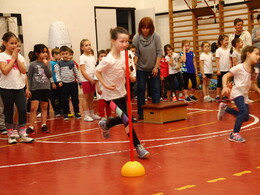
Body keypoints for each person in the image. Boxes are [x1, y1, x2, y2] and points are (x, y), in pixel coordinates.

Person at [96, 27, 150, 159]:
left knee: (126, 118)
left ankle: (107, 124)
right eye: (122, 41)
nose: (125, 44)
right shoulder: (108, 60)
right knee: (126, 119)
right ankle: (138, 147)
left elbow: (132, 73)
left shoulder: (128, 55)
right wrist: (105, 85)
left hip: (122, 93)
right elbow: (97, 72)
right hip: (110, 97)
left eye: (127, 41)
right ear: (113, 41)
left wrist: (131, 76)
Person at [218, 46, 260, 142]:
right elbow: (225, 76)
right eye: (256, 54)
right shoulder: (239, 67)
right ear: (248, 54)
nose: (258, 56)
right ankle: (234, 134)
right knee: (244, 112)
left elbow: (252, 85)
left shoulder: (255, 71)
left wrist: (258, 90)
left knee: (245, 117)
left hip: (244, 95)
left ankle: (226, 108)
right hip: (237, 93)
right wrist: (225, 87)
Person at [0, 32, 34, 144]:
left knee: (22, 109)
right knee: (9, 110)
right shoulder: (2, 56)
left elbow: (24, 71)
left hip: (19, 87)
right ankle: (11, 133)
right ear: (5, 43)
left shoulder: (20, 56)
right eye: (11, 43)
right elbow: (5, 71)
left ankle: (23, 132)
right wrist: (13, 59)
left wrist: (17, 58)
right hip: (6, 87)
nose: (14, 46)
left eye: (16, 43)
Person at [133, 17, 162, 120]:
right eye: (143, 28)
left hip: (153, 67)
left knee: (155, 89)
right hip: (141, 68)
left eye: (147, 28)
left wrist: (156, 67)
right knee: (141, 89)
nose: (145, 30)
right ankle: (141, 113)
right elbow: (136, 53)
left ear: (151, 28)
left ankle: (156, 111)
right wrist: (133, 64)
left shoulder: (156, 36)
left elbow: (159, 52)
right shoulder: (136, 38)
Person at [26, 44, 52, 133]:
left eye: (46, 52)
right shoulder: (33, 64)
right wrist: (28, 88)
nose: (45, 54)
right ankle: (31, 126)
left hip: (45, 87)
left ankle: (44, 124)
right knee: (34, 107)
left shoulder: (47, 63)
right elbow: (29, 77)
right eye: (42, 52)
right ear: (37, 53)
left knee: (44, 106)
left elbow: (50, 75)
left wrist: (45, 65)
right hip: (35, 88)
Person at [55, 46, 82, 120]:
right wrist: (59, 81)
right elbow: (57, 73)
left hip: (73, 83)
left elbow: (76, 72)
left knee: (75, 99)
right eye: (63, 54)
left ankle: (77, 112)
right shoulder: (59, 64)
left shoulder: (72, 63)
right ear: (60, 55)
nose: (65, 55)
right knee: (64, 100)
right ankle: (65, 113)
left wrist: (80, 82)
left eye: (66, 53)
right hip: (64, 84)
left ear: (69, 54)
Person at [79, 39, 101, 121]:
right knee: (86, 98)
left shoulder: (92, 57)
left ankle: (92, 114)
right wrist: (90, 79)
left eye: (89, 45)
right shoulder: (82, 57)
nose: (88, 47)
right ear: (82, 48)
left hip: (93, 80)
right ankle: (86, 115)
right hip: (86, 80)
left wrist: (95, 78)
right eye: (86, 45)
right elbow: (83, 71)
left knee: (91, 98)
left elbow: (94, 68)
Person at [95, 50, 112, 121]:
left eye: (105, 56)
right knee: (101, 104)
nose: (103, 58)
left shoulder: (108, 67)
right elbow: (96, 79)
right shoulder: (98, 68)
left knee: (108, 103)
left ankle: (109, 115)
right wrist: (98, 88)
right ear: (98, 58)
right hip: (101, 88)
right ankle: (102, 116)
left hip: (107, 88)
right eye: (101, 56)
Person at [216, 35, 232, 102]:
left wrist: (231, 66)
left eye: (227, 40)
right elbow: (217, 60)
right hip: (221, 69)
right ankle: (217, 96)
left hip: (227, 69)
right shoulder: (218, 50)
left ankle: (225, 95)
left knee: (226, 83)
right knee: (219, 83)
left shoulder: (229, 50)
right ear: (221, 41)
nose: (227, 41)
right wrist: (218, 69)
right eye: (225, 40)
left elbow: (230, 59)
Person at [49, 48, 62, 116]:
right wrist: (52, 83)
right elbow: (50, 74)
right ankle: (56, 110)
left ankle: (61, 109)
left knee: (60, 96)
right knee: (54, 97)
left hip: (59, 81)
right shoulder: (51, 63)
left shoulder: (59, 62)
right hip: (54, 82)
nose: (60, 56)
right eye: (59, 55)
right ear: (54, 55)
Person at [252, 14, 260, 87]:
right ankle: (257, 84)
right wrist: (258, 38)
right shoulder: (255, 29)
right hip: (257, 52)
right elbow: (253, 39)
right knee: (257, 68)